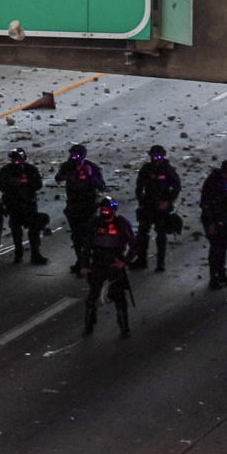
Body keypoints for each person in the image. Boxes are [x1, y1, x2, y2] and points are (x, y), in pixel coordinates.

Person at [79, 200, 135, 338]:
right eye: (102, 209)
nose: (105, 212)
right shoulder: (94, 223)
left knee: (119, 297)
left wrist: (123, 262)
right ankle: (88, 327)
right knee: (92, 297)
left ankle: (124, 329)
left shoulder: (121, 224)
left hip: (114, 263)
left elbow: (134, 245)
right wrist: (84, 265)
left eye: (107, 210)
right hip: (97, 263)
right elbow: (86, 246)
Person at [132, 145, 182, 272]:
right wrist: (141, 201)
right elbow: (139, 187)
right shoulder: (146, 169)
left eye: (158, 156)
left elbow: (176, 187)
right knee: (143, 234)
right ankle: (141, 260)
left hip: (162, 207)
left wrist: (168, 201)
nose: (156, 158)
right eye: (153, 156)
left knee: (161, 235)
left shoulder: (167, 169)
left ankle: (160, 263)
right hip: (148, 205)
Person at [58, 145, 105, 270]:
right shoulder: (67, 166)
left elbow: (102, 186)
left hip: (89, 206)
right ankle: (81, 261)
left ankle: (91, 260)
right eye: (72, 155)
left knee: (89, 234)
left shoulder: (92, 167)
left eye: (76, 155)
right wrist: (68, 175)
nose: (74, 158)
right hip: (73, 205)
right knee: (76, 235)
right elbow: (58, 178)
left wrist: (90, 176)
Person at [0, 149, 48, 265]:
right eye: (14, 159)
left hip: (29, 205)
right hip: (14, 205)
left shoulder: (30, 170)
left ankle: (35, 253)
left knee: (34, 230)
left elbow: (38, 185)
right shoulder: (6, 171)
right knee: (16, 231)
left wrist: (26, 183)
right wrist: (12, 184)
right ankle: (18, 253)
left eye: (18, 159)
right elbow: (1, 186)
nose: (16, 162)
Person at [197, 159, 227, 288]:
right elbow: (206, 204)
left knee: (223, 246)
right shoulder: (213, 183)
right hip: (212, 220)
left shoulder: (225, 182)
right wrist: (212, 223)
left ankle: (222, 274)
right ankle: (213, 278)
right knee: (216, 248)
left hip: (222, 218)